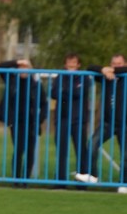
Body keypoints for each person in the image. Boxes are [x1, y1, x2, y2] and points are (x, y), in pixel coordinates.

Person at [0, 59, 49, 185]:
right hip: (17, 121)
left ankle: (25, 180)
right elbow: (0, 66)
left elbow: (44, 104)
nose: (24, 70)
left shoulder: (36, 85)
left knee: (30, 152)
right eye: (21, 67)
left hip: (32, 122)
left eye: (26, 67)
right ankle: (16, 179)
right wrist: (17, 62)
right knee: (19, 150)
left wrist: (40, 119)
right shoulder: (11, 80)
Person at [49, 53, 96, 184]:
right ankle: (60, 181)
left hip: (79, 120)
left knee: (81, 152)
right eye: (69, 63)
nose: (71, 65)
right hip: (62, 119)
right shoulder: (60, 76)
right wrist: (67, 91)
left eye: (74, 63)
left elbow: (79, 93)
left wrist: (64, 90)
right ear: (65, 64)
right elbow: (53, 93)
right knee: (61, 152)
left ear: (78, 65)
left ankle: (81, 182)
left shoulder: (84, 78)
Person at [89, 54, 127, 187]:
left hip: (124, 124)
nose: (117, 66)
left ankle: (123, 183)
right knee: (92, 145)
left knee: (125, 155)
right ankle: (93, 176)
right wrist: (103, 70)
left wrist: (113, 70)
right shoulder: (106, 77)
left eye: (119, 63)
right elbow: (90, 67)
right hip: (107, 123)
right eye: (114, 64)